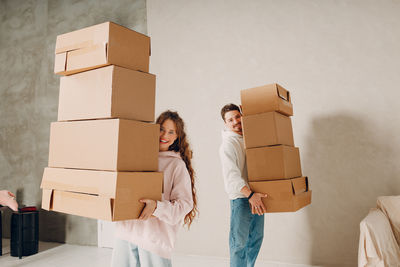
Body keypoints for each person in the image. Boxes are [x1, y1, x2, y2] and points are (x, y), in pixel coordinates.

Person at [111, 110, 197, 267]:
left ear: (178, 136)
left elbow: (184, 205)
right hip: (125, 234)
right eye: (161, 129)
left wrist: (156, 207)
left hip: (153, 240)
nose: (165, 135)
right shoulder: (138, 157)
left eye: (171, 132)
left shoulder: (176, 166)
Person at [219, 103, 268, 267]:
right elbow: (232, 176)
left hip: (257, 196)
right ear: (225, 124)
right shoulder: (228, 145)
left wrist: (250, 115)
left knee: (255, 239)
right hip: (242, 198)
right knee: (239, 244)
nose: (235, 122)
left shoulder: (249, 139)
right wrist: (250, 195)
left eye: (237, 117)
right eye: (230, 120)